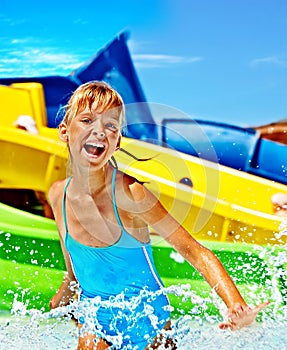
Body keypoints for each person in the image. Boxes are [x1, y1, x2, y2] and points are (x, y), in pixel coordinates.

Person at [48, 81, 269, 350]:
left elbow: (194, 251)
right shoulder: (58, 195)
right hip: (95, 324)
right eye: (87, 120)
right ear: (64, 131)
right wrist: (63, 296)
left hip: (149, 325)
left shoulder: (131, 195)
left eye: (111, 127)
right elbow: (73, 267)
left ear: (117, 142)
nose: (99, 132)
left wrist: (235, 305)